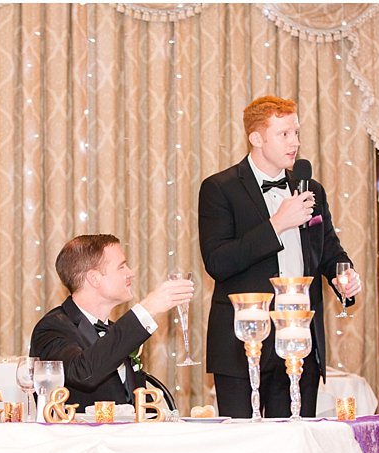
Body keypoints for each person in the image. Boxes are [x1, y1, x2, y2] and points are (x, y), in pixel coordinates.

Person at [198, 95, 362, 419]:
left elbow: (328, 248)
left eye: (296, 132)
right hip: (243, 344)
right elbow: (218, 262)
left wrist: (344, 277)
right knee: (246, 451)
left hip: (299, 340)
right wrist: (277, 225)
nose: (295, 142)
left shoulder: (310, 187)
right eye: (284, 134)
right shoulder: (219, 188)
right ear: (256, 138)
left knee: (296, 448)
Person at [28, 235, 192, 412]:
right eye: (121, 267)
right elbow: (83, 372)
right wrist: (145, 310)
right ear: (94, 279)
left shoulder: (116, 331)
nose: (131, 273)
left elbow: (138, 402)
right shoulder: (53, 327)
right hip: (81, 437)